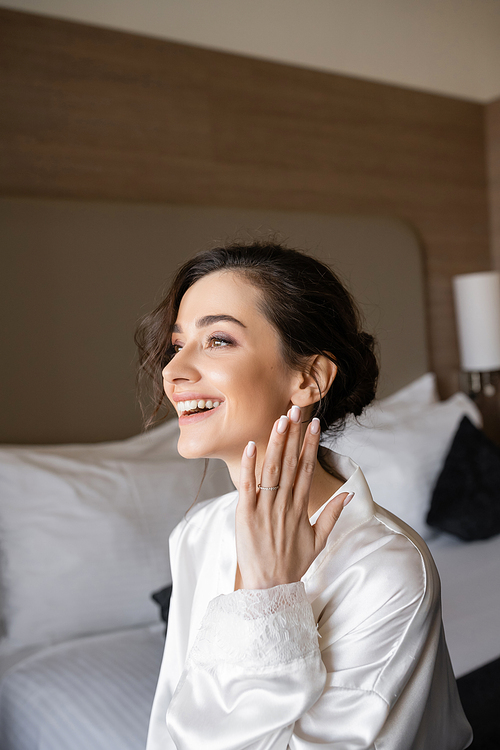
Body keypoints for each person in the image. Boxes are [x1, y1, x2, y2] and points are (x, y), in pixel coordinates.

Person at [136, 241, 472, 749]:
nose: (174, 371)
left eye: (219, 340)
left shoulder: (388, 569)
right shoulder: (197, 534)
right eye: (176, 345)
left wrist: (267, 599)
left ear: (309, 377)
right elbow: (170, 730)